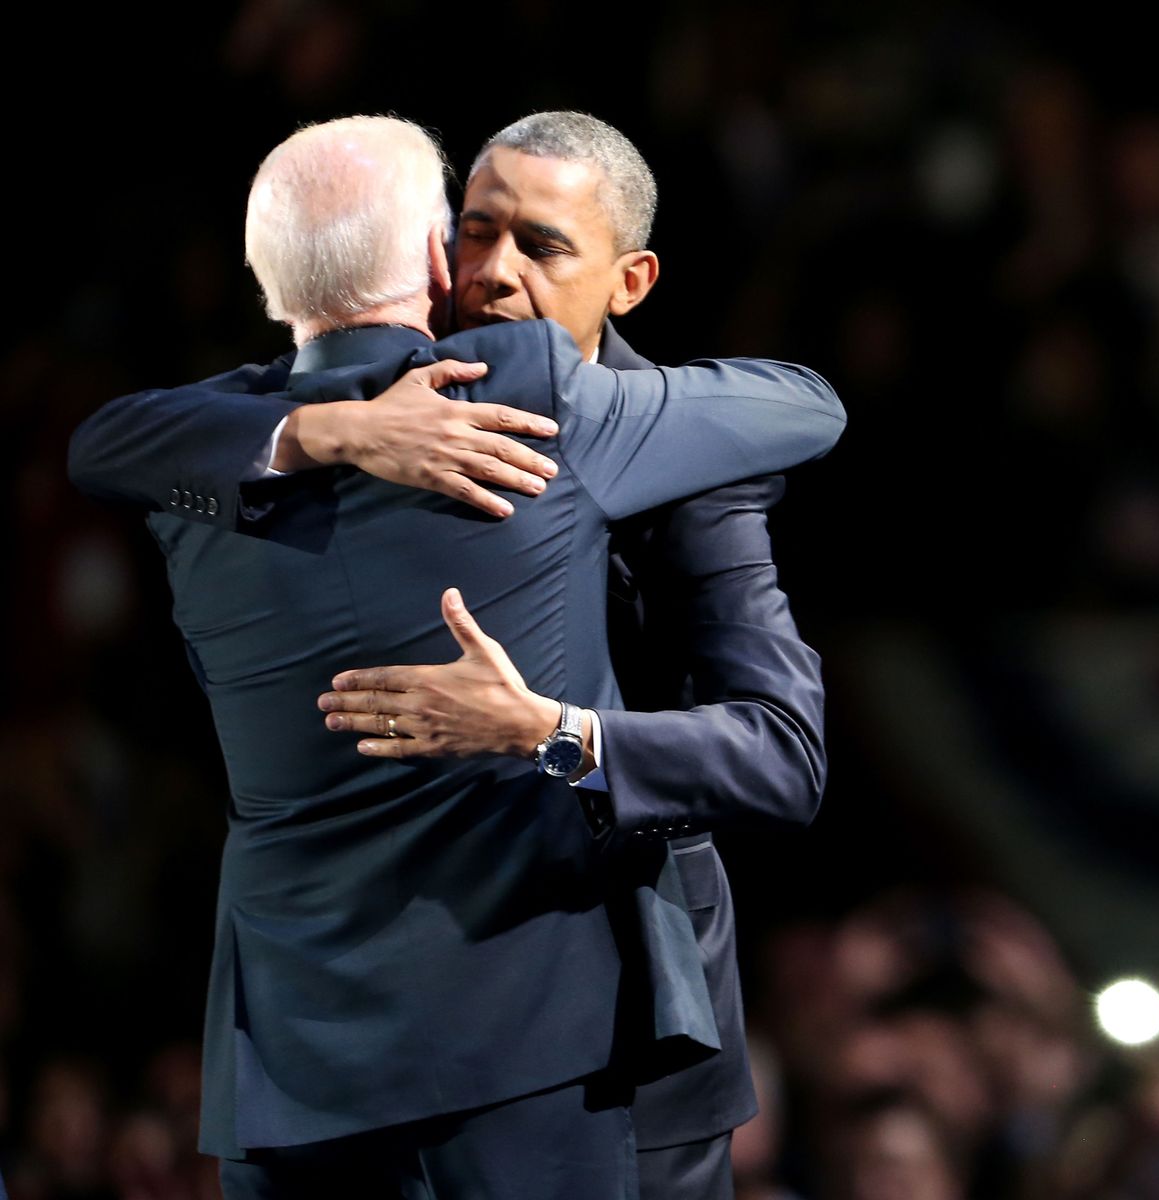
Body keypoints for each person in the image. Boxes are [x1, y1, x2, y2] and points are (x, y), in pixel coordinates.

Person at [68, 115, 844, 1199]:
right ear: (433, 249)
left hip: (617, 1026)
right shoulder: (294, 421)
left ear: (631, 280)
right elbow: (110, 446)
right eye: (475, 234)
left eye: (541, 245)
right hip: (374, 1039)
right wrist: (320, 432)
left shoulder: (687, 454)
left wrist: (557, 738)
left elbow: (781, 759)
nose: (494, 274)